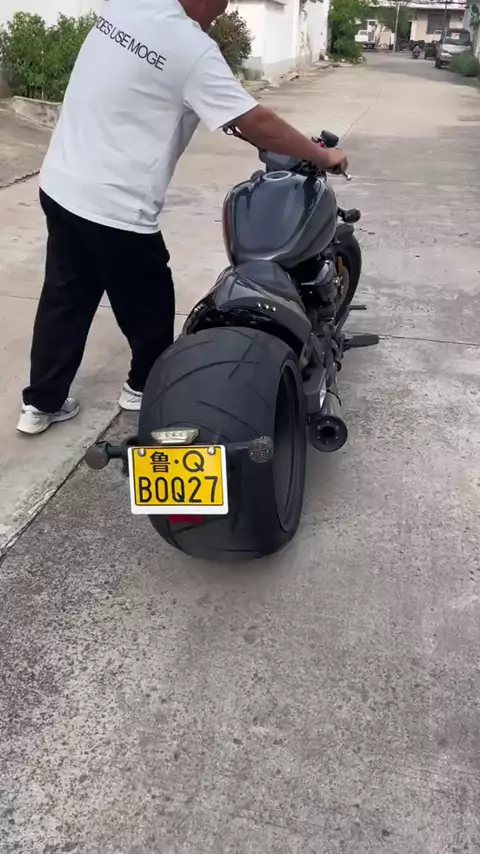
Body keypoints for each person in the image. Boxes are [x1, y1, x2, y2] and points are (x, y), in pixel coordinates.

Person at [17, 0, 348, 435]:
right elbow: (256, 120)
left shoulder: (128, 8)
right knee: (151, 307)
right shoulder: (191, 47)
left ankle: (40, 404)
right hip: (118, 208)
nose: (223, 10)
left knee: (65, 298)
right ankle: (145, 388)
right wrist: (322, 156)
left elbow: (188, 101)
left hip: (61, 186)